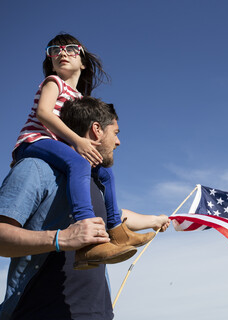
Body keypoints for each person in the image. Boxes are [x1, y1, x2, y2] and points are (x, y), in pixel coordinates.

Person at [0, 97, 170, 319]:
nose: (118, 142)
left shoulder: (93, 180)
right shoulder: (36, 169)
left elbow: (116, 216)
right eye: (116, 132)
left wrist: (156, 220)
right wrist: (61, 239)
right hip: (39, 312)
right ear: (97, 130)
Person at [12, 33, 147, 269]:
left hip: (58, 144)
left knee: (105, 172)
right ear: (51, 61)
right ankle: (88, 238)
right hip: (35, 139)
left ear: (82, 62)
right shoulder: (53, 82)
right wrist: (77, 141)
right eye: (55, 50)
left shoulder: (79, 98)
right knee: (79, 163)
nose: (62, 53)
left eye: (70, 49)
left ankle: (117, 230)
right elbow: (43, 113)